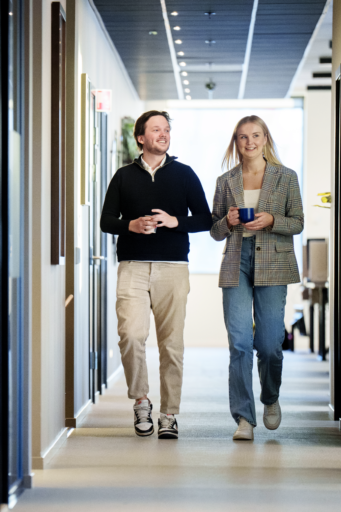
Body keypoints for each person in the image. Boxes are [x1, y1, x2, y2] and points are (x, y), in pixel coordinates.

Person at [100, 110, 212, 439]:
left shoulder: (185, 174)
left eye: (166, 130)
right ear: (140, 137)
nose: (163, 134)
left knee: (171, 345)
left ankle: (169, 414)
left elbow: (206, 219)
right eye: (156, 130)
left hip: (173, 268)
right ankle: (141, 400)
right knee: (131, 336)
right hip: (132, 267)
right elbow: (107, 222)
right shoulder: (123, 176)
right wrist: (131, 225)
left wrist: (177, 221)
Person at [209, 115, 304, 441]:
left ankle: (270, 397)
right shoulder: (226, 181)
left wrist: (271, 219)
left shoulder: (286, 177)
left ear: (265, 139)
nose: (249, 142)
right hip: (237, 263)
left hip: (273, 263)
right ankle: (244, 419)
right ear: (235, 142)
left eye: (255, 136)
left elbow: (298, 223)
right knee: (239, 343)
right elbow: (214, 229)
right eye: (242, 137)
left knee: (269, 344)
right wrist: (228, 220)